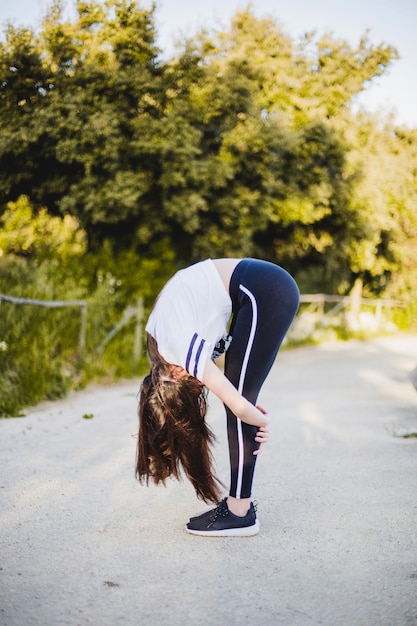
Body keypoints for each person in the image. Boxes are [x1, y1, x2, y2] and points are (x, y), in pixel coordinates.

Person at [136, 258, 299, 536]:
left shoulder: (178, 346)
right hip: (257, 289)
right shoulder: (163, 344)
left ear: (174, 377)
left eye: (194, 390)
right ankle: (238, 508)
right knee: (239, 395)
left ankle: (240, 513)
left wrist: (259, 419)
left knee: (235, 400)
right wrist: (249, 411)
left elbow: (236, 404)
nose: (201, 386)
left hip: (264, 290)